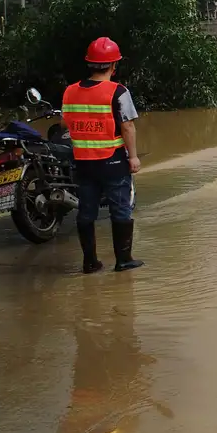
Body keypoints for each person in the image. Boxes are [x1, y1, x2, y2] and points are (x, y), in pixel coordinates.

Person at [62, 37, 144, 274]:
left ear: (90, 64)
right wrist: (134, 157)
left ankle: (90, 262)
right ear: (113, 65)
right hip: (112, 160)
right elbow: (127, 126)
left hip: (83, 162)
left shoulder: (70, 92)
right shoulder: (118, 91)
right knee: (120, 208)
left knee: (86, 211)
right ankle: (124, 260)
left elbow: (65, 124)